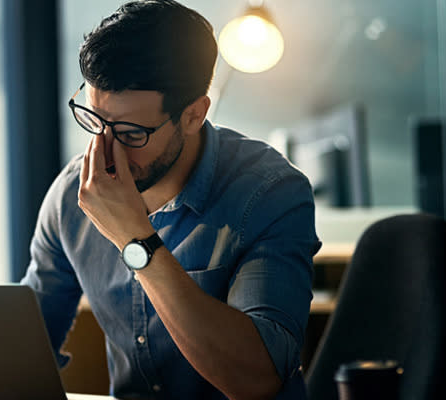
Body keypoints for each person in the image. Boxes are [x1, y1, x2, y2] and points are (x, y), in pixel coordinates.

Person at [21, 1, 321, 399]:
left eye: (130, 133)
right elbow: (25, 344)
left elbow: (257, 379)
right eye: (95, 121)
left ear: (194, 115)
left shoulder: (269, 194)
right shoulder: (72, 194)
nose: (105, 152)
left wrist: (135, 241)